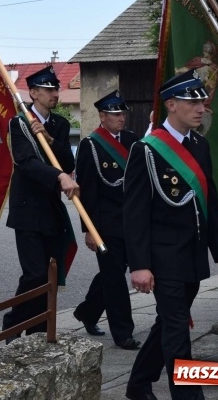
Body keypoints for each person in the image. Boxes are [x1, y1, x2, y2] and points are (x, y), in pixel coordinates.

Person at [123, 69, 218, 400]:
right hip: (163, 258)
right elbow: (135, 214)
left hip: (193, 256)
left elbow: (210, 202)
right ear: (171, 104)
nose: (201, 108)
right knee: (177, 332)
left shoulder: (200, 145)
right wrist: (139, 264)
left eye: (202, 102)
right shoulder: (147, 149)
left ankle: (138, 384)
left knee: (166, 325)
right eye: (193, 101)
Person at [1, 66, 78, 342]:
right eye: (48, 90)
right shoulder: (19, 123)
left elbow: (68, 163)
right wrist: (57, 176)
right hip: (27, 210)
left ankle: (38, 328)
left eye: (56, 89)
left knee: (48, 276)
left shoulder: (59, 124)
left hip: (51, 211)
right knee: (33, 274)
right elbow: (26, 162)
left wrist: (48, 139)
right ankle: (13, 324)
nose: (54, 94)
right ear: (33, 93)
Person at [72, 90, 140, 350]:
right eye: (115, 114)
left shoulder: (134, 141)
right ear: (102, 116)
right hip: (106, 225)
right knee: (114, 279)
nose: (121, 118)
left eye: (123, 113)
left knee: (112, 274)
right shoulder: (91, 145)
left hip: (132, 223)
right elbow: (86, 192)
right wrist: (89, 229)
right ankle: (123, 333)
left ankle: (87, 313)